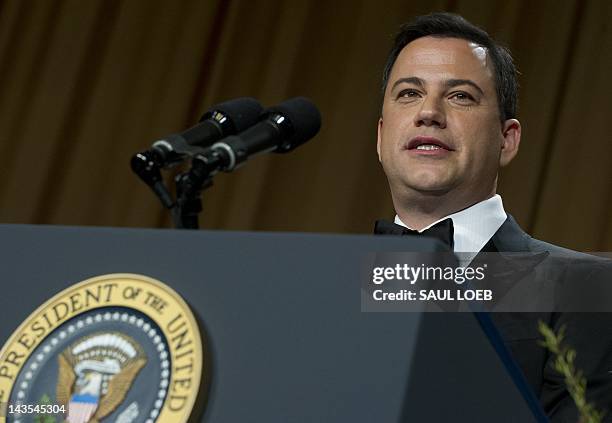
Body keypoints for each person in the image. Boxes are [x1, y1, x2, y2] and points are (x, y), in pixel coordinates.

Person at [374, 12, 612, 422]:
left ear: (507, 139)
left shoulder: (586, 287)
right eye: (409, 93)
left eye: (460, 96)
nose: (428, 112)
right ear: (381, 137)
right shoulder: (330, 284)